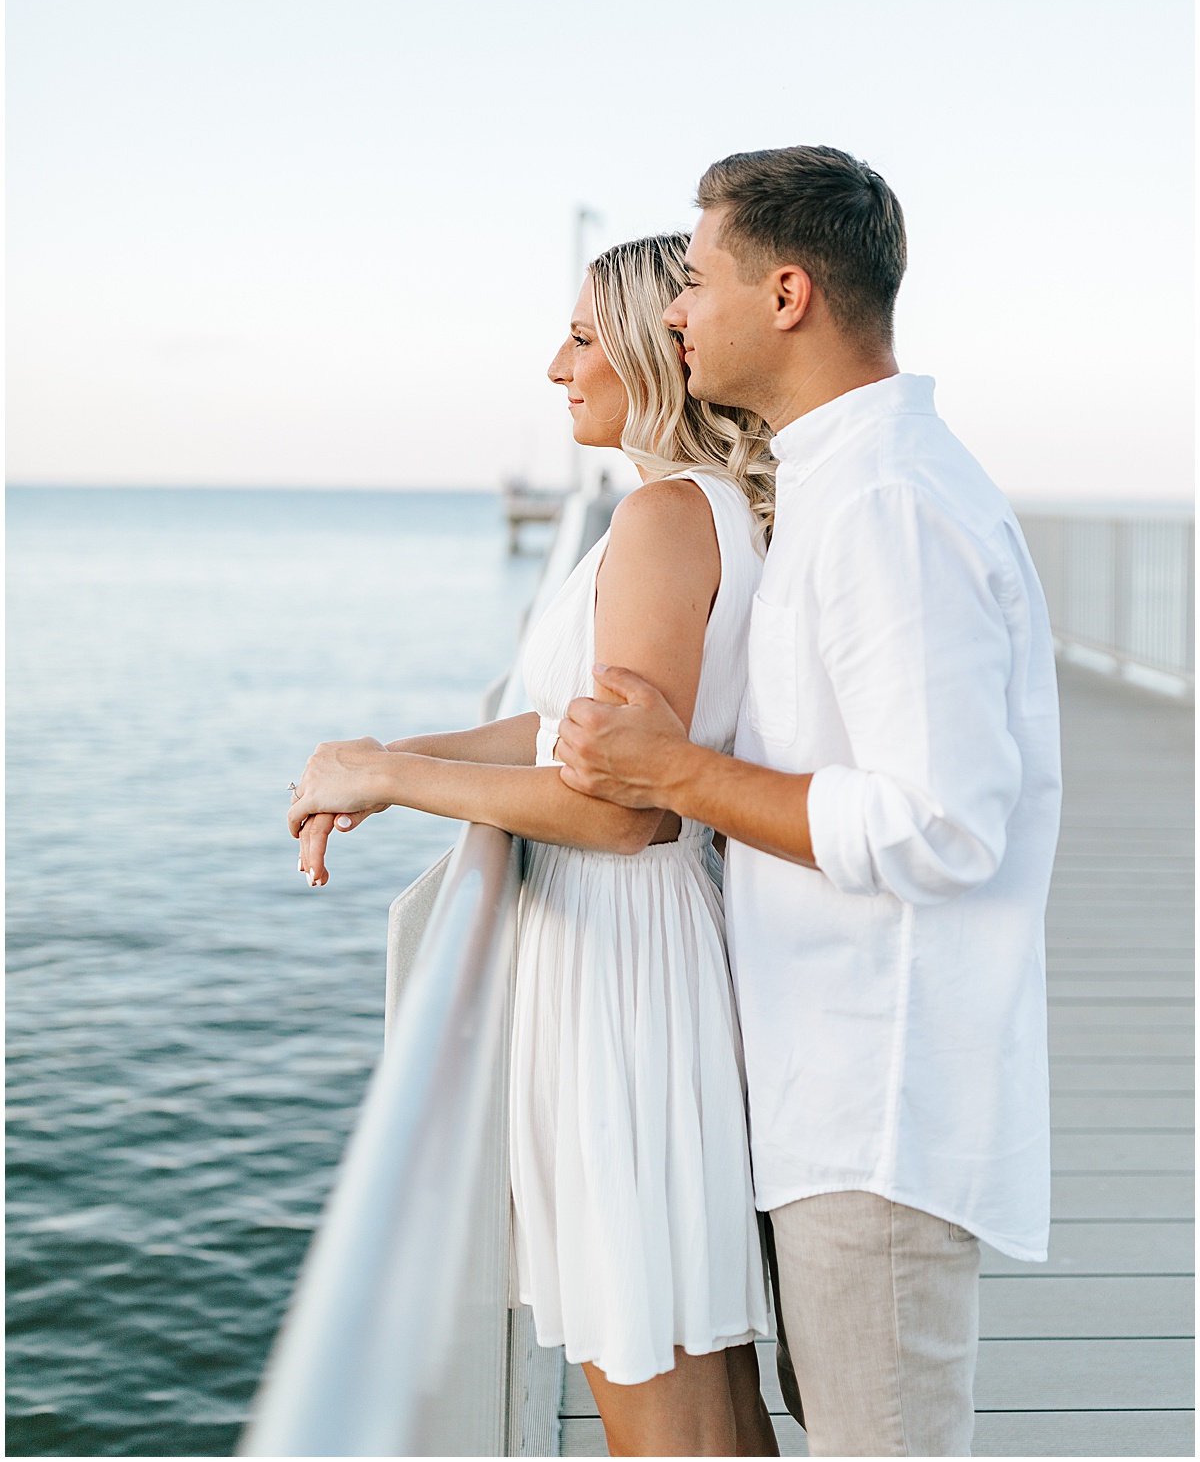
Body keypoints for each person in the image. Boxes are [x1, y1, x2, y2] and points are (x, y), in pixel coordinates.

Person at [556, 147, 1063, 1458]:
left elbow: (941, 822)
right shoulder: (843, 482)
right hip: (820, 1087)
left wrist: (672, 772)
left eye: (699, 279)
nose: (675, 314)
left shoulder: (888, 501)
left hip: (875, 1104)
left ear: (786, 294)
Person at [287, 234, 780, 1458]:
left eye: (578, 334)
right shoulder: (672, 509)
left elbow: (622, 808)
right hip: (636, 959)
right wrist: (389, 755)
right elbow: (560, 725)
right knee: (696, 1384)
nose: (555, 363)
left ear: (651, 348)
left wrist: (401, 776)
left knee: (658, 1401)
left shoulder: (667, 516)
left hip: (619, 965)